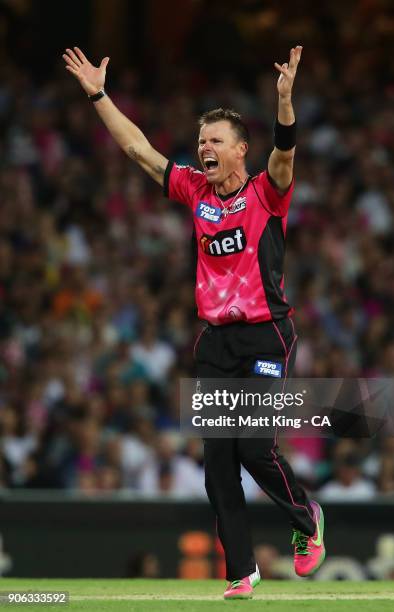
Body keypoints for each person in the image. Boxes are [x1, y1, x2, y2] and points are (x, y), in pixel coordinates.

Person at [63, 44, 326, 599]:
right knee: (216, 465)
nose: (203, 147)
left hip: (265, 334)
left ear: (240, 151)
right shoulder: (195, 191)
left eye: (215, 141)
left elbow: (285, 154)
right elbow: (138, 150)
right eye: (200, 140)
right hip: (214, 342)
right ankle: (241, 571)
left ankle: (307, 518)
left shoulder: (266, 194)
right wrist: (97, 94)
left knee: (254, 447)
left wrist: (285, 103)